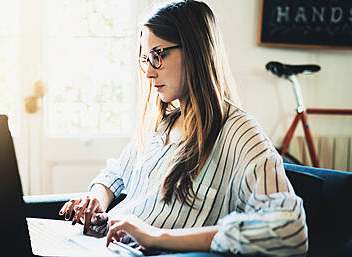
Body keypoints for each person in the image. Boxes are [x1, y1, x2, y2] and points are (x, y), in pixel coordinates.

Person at [58, 1, 308, 256]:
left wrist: (160, 237)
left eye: (158, 55)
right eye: (145, 59)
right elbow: (117, 173)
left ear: (196, 51)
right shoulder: (162, 124)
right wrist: (97, 200)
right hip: (100, 246)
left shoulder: (239, 133)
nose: (148, 73)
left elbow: (290, 229)